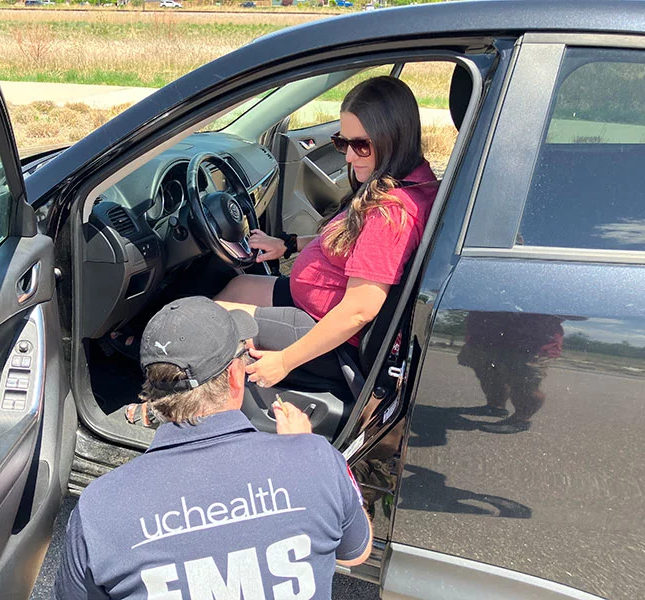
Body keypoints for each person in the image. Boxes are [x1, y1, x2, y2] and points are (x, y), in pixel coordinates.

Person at [55, 296, 373, 599]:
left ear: (151, 391)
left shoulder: (99, 510)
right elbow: (357, 551)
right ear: (236, 376)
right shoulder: (315, 461)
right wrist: (302, 450)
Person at [214, 76, 439, 390]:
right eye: (342, 142)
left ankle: (184, 406)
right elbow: (353, 243)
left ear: (393, 139)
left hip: (332, 336)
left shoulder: (391, 212)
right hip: (319, 302)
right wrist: (289, 245)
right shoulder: (412, 176)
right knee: (239, 286)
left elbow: (360, 309)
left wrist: (285, 361)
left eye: (360, 145)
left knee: (202, 320)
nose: (347, 156)